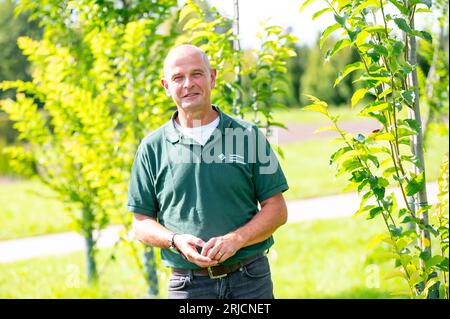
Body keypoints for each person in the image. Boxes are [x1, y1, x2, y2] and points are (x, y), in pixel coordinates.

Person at [127, 44, 289, 299]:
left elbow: (277, 210)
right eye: (178, 78)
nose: (188, 83)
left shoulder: (247, 136)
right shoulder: (152, 147)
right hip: (188, 285)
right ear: (166, 86)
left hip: (250, 279)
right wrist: (175, 241)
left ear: (212, 77)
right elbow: (141, 223)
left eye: (196, 74)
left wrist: (236, 239)